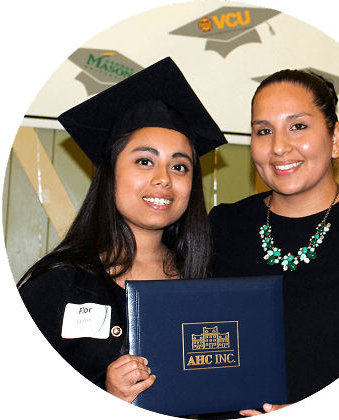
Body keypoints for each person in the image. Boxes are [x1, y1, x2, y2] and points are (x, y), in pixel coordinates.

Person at [208, 69, 339, 416]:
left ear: (335, 137)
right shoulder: (223, 226)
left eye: (298, 126)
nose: (278, 147)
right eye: (264, 131)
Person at [18, 57, 227, 404]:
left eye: (180, 166)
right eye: (145, 161)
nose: (163, 178)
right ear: (111, 173)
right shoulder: (58, 285)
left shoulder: (207, 284)